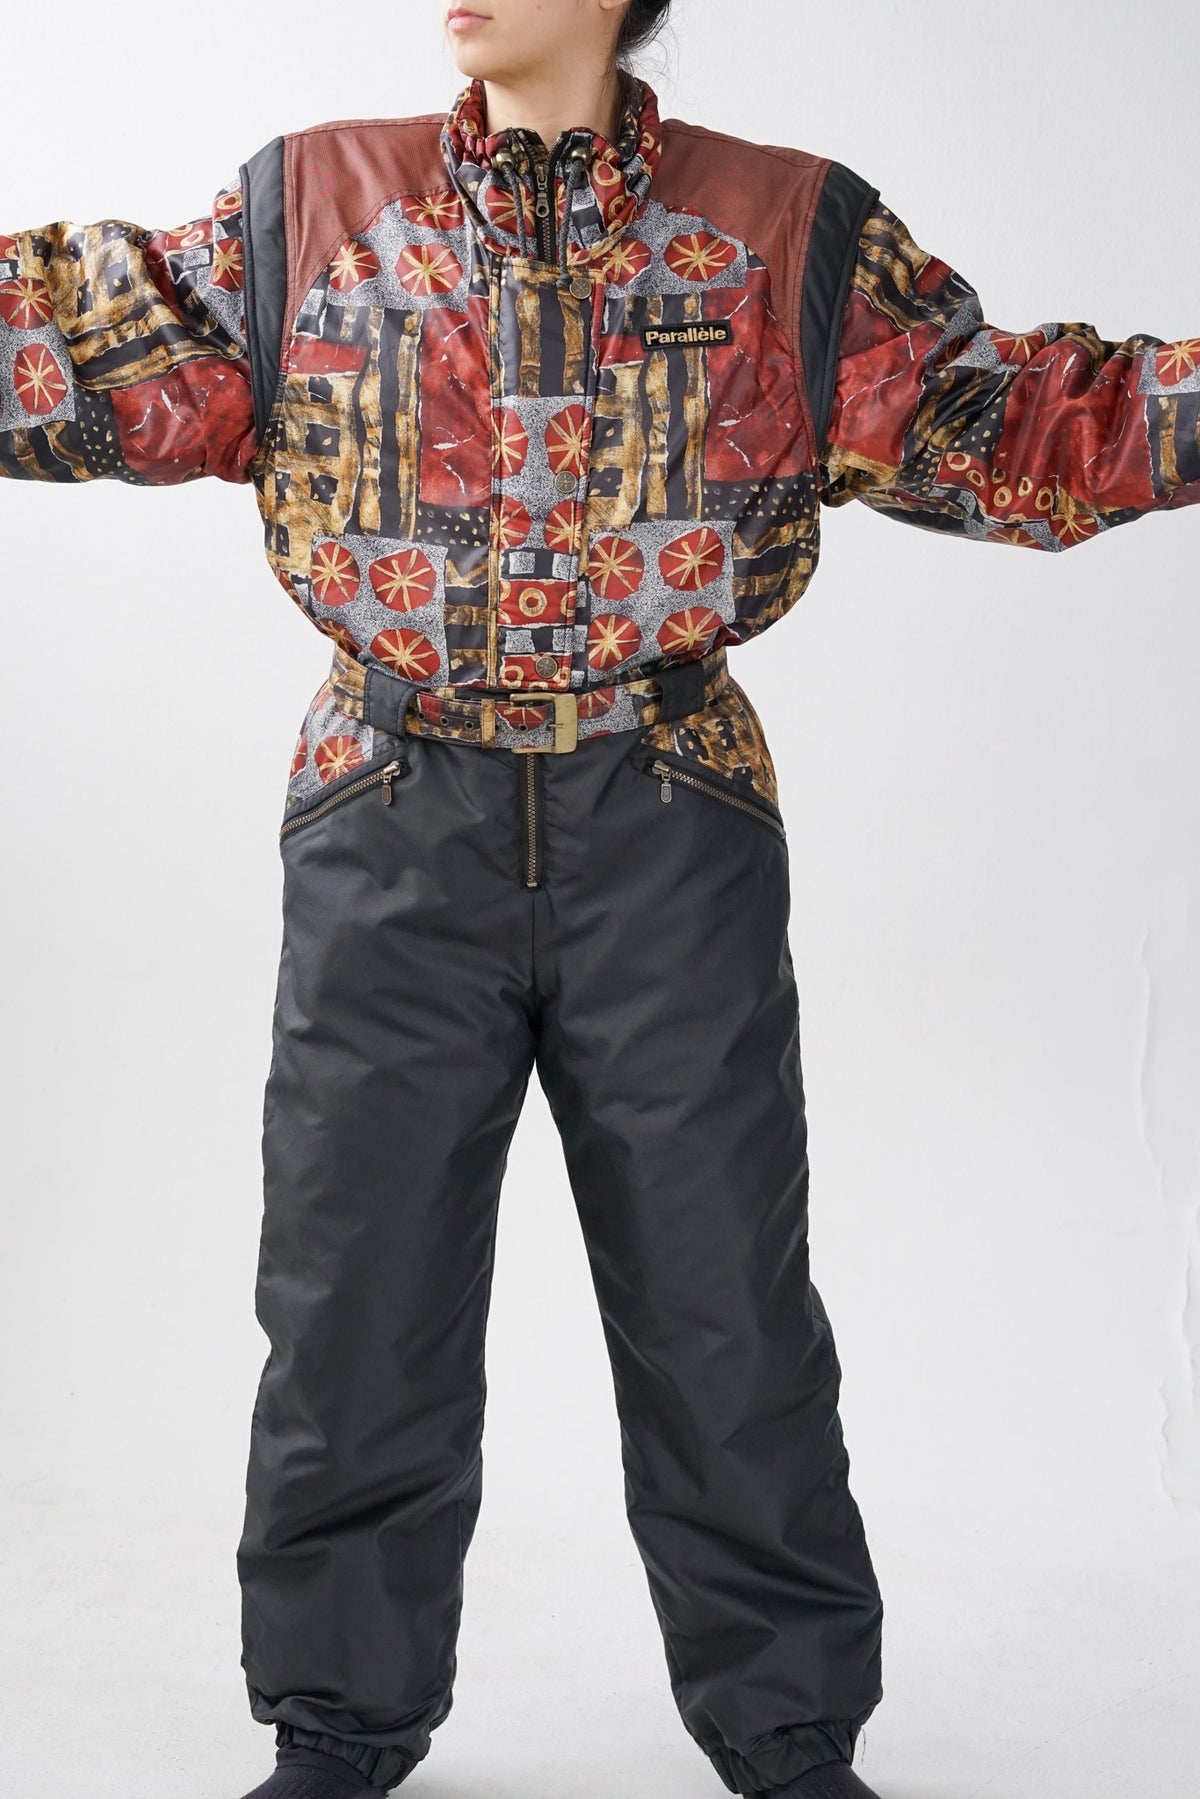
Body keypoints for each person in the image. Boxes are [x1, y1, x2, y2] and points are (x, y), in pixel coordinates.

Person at [4, 1, 1198, 1795]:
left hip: (671, 811)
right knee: (352, 1298)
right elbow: (68, 340)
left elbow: (1018, 417)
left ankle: (790, 1736)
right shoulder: (309, 207)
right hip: (389, 813)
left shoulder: (785, 225)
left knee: (728, 1304)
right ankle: (335, 1729)